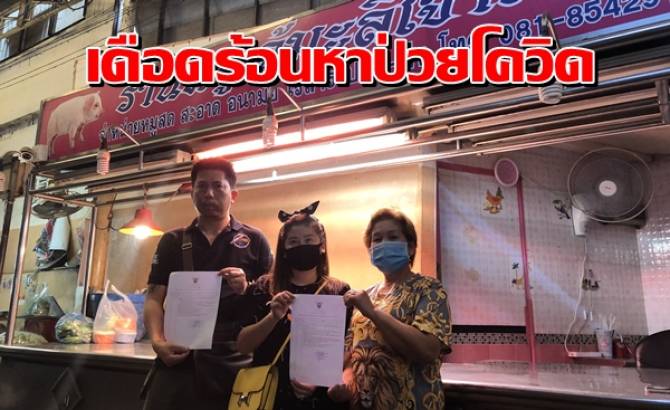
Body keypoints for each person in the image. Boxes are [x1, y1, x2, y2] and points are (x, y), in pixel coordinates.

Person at [142, 158, 273, 410]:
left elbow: (270, 301)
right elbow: (154, 298)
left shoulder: (255, 240)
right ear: (191, 192)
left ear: (233, 194)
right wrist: (158, 343)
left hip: (235, 362)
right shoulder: (173, 240)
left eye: (218, 186)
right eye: (201, 187)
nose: (209, 194)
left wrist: (247, 287)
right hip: (179, 358)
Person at [331, 208, 452, 410]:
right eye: (377, 239)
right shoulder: (366, 296)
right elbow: (352, 356)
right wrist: (345, 383)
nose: (383, 244)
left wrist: (373, 313)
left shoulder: (429, 289)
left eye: (393, 237)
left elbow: (428, 350)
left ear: (411, 247)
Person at [236, 201, 351, 410]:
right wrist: (272, 317)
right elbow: (243, 345)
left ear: (322, 245)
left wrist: (318, 378)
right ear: (284, 250)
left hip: (321, 398)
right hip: (269, 395)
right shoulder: (263, 287)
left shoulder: (339, 291)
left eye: (308, 240)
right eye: (293, 242)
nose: (301, 246)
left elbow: (347, 347)